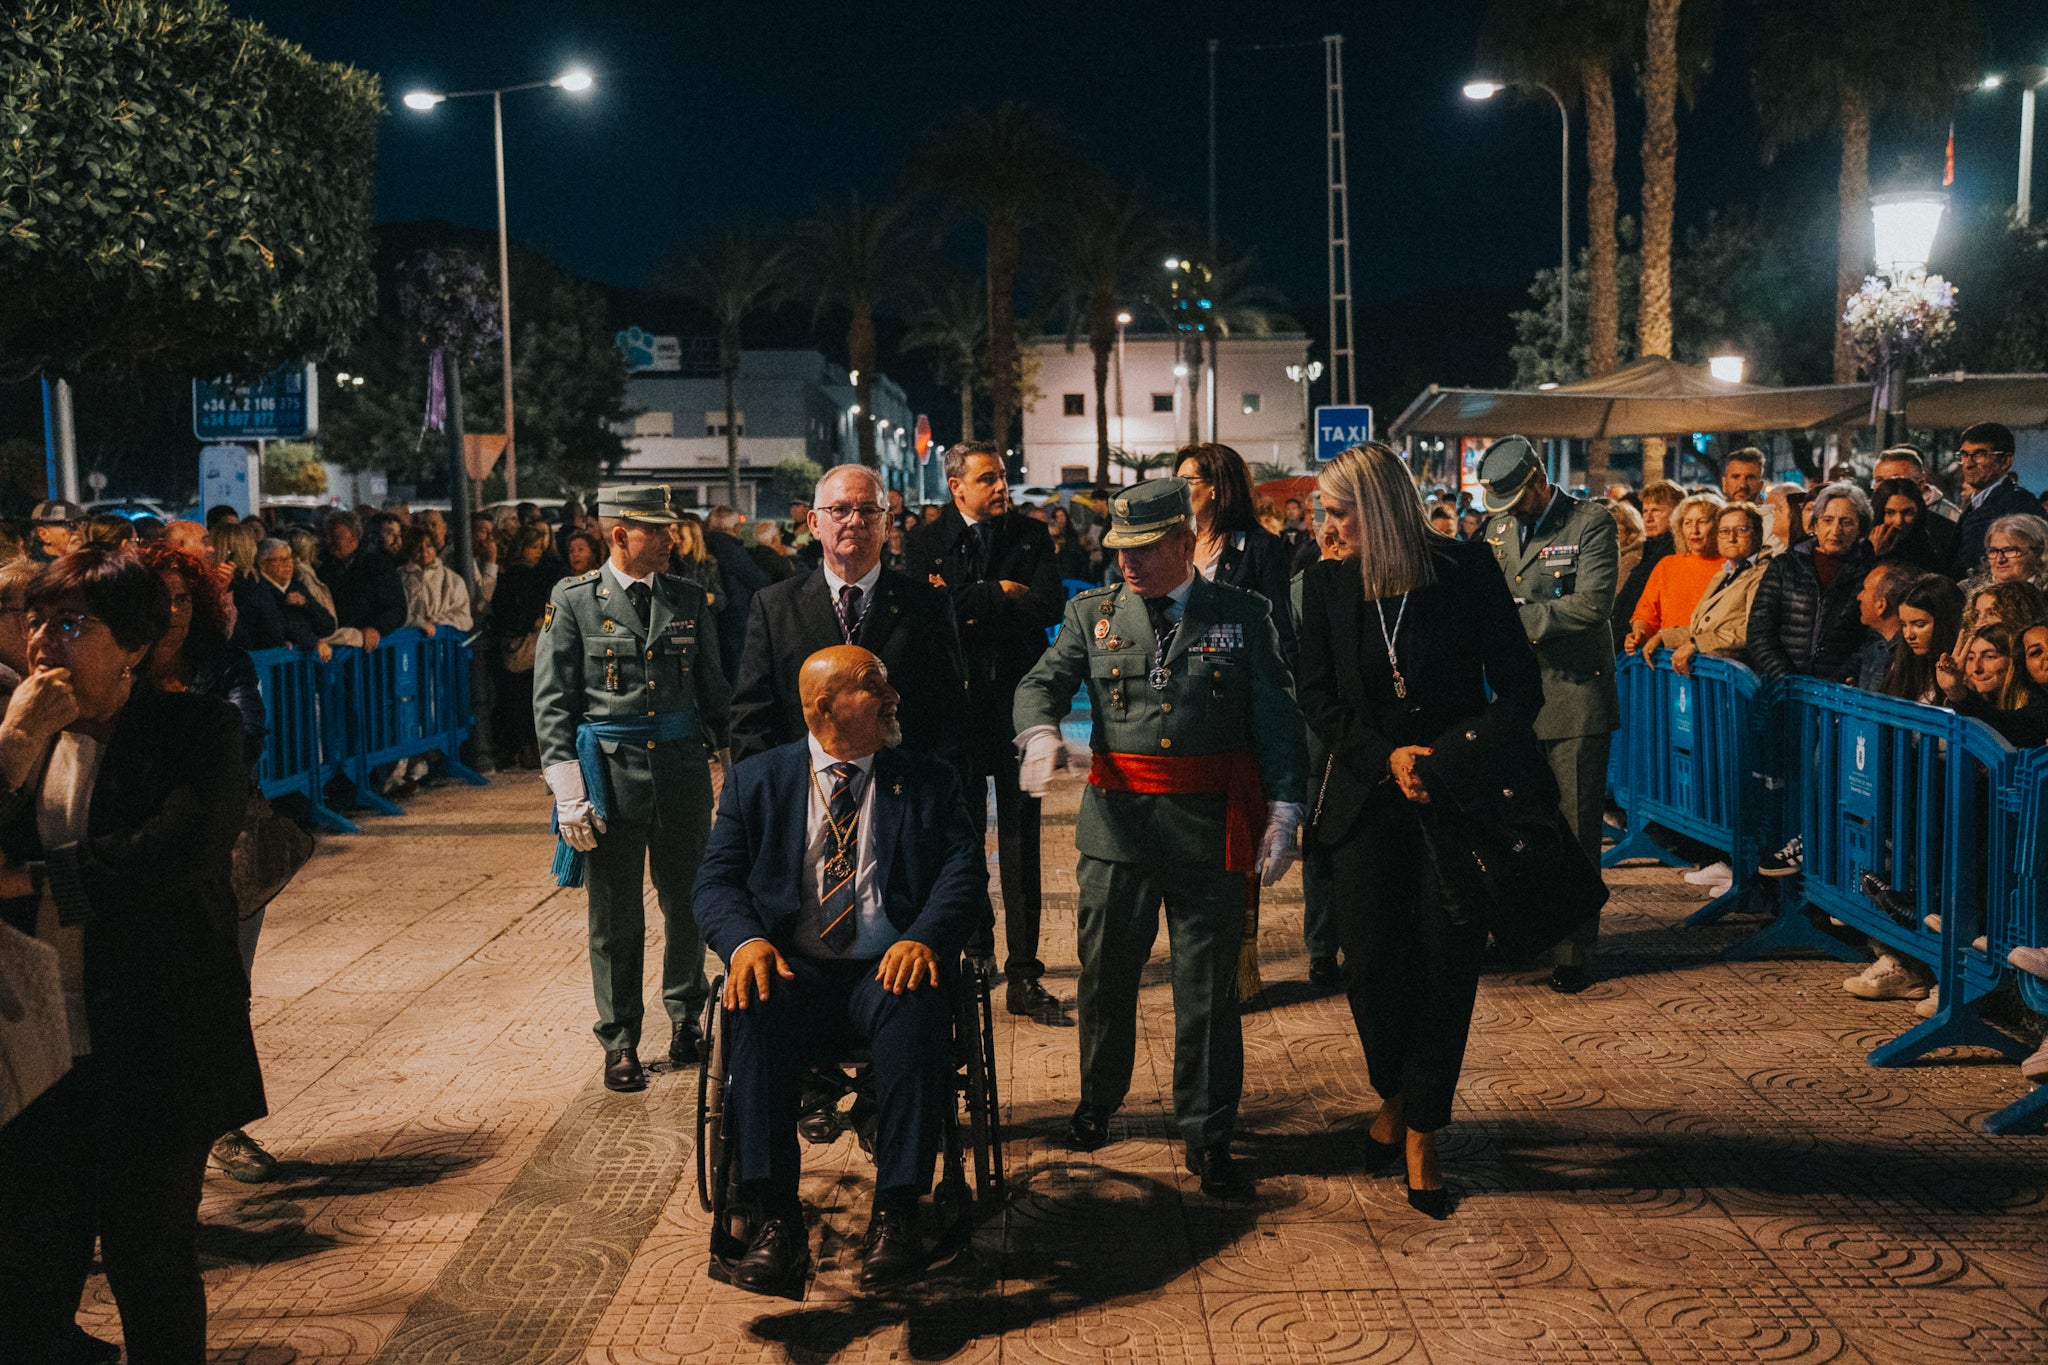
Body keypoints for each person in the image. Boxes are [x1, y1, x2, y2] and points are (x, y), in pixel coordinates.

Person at [1297, 444, 1599, 1218]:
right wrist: (1385, 754)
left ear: (1379, 509)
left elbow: (1519, 689)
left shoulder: (1464, 571)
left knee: (1443, 965)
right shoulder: (1326, 584)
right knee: (1369, 967)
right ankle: (1392, 1092)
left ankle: (1424, 1126)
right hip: (1368, 799)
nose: (1324, 529)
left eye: (1336, 514)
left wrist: (1448, 756)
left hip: (1458, 802)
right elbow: (1322, 701)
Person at [0, 549, 264, 1365]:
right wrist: (13, 741)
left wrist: (33, 880)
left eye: (73, 624)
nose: (44, 641)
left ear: (136, 644)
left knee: (149, 1260)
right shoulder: (26, 732)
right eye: (37, 620)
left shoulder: (196, 730)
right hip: (39, 1053)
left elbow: (173, 853)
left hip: (157, 1043)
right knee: (31, 1274)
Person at [1012, 478, 1306, 1197]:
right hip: (1117, 832)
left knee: (1206, 994)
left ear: (1183, 542)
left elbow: (1275, 714)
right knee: (1105, 976)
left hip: (1207, 832)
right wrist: (1041, 731)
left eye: (1143, 550)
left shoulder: (1240, 613)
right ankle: (1097, 1101)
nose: (1127, 564)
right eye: (1119, 550)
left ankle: (1208, 1131)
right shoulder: (1094, 615)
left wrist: (1285, 809)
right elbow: (1039, 682)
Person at [691, 645, 982, 1296]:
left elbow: (964, 875)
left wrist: (927, 939)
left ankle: (899, 1210)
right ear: (826, 706)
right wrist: (744, 944)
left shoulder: (927, 779)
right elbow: (715, 883)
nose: (893, 694)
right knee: (750, 1004)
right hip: (797, 969)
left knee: (919, 1005)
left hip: (888, 965)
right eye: (874, 684)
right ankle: (775, 1222)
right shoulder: (758, 780)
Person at [534, 485, 732, 1092]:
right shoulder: (574, 601)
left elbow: (714, 694)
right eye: (658, 530)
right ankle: (620, 1039)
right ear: (619, 535)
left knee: (686, 905)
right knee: (615, 916)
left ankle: (686, 1016)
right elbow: (552, 703)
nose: (672, 539)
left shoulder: (690, 599)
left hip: (680, 773)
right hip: (610, 778)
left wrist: (736, 767)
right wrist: (567, 789)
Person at [901, 440, 1064, 1018]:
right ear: (956, 486)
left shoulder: (1030, 536)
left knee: (1022, 847)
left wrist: (965, 601)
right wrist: (999, 592)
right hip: (955, 716)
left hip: (1016, 712)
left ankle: (1025, 972)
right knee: (962, 839)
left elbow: (1047, 606)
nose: (1002, 487)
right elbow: (926, 613)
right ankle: (976, 950)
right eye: (989, 478)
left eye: (1004, 476)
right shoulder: (923, 542)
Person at [1477, 437, 1618, 993]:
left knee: (1576, 830)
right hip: (1515, 702)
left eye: (1517, 498)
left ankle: (1574, 950)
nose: (1510, 511)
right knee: (1521, 828)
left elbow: (1593, 603)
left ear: (1539, 478)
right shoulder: (1498, 530)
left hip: (1574, 697)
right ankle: (1527, 932)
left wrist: (1516, 621)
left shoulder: (1590, 522)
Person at [732, 465, 967, 766]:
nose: (856, 521)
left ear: (887, 524)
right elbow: (752, 714)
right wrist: (763, 795)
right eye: (840, 510)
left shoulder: (927, 606)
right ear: (815, 524)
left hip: (899, 789)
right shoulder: (775, 606)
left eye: (869, 510)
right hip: (805, 789)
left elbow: (949, 712)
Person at [1746, 481, 1874, 682]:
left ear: (1861, 528)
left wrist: (1833, 683)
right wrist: (1786, 678)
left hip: (1836, 693)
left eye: (1846, 522)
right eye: (1827, 520)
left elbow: (1870, 639)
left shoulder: (1869, 573)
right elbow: (1759, 630)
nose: (1835, 530)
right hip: (1783, 689)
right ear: (1815, 524)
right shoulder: (1785, 565)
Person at [1665, 503, 1772, 674]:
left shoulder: (1764, 573)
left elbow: (1753, 631)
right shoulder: (1724, 572)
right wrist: (1663, 637)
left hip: (1737, 676)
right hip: (1712, 672)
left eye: (1741, 530)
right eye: (1724, 531)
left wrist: (1697, 644)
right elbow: (1702, 629)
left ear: (1757, 534)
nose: (1731, 538)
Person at [1623, 491, 1725, 661]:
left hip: (1711, 661)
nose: (1695, 530)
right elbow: (1646, 614)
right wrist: (1638, 635)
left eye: (1702, 522)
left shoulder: (1729, 567)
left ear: (1718, 526)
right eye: (1687, 523)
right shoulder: (1667, 565)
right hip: (1665, 660)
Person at [492, 523, 561, 770]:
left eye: (540, 548)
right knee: (523, 701)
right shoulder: (516, 576)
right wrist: (531, 620)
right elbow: (505, 612)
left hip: (534, 641)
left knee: (531, 700)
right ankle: (525, 748)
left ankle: (532, 747)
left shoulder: (537, 573)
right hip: (524, 642)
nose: (538, 553)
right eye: (533, 547)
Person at [1950, 422, 2038, 578]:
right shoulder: (1975, 504)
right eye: (1964, 455)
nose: (1968, 464)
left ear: (2006, 461)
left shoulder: (2018, 503)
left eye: (1979, 455)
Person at [705, 506, 772, 685]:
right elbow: (757, 579)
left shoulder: (707, 544)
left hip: (719, 616)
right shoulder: (729, 547)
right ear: (735, 528)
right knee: (736, 670)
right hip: (735, 615)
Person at [234, 536, 336, 653]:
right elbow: (277, 629)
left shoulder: (297, 586)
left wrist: (307, 604)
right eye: (280, 559)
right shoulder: (257, 589)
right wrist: (313, 641)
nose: (287, 564)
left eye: (289, 558)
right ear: (262, 564)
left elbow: (328, 626)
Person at [324, 511, 406, 652]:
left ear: (354, 538)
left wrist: (376, 628)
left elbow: (397, 609)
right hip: (336, 649)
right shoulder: (324, 568)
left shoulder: (377, 566)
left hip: (369, 651)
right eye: (328, 536)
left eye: (336, 537)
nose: (329, 541)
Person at [1611, 479, 1682, 642]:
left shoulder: (1674, 554)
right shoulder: (1649, 550)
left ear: (1678, 512)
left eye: (1657, 511)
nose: (1648, 518)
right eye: (1645, 511)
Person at [1877, 574, 1964, 704]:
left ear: (1945, 622)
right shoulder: (1901, 666)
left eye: (1919, 625)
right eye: (1904, 625)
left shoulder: (1967, 671)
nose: (1908, 635)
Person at [1847, 561, 1920, 691]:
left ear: (1881, 605)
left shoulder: (1910, 656)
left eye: (1864, 589)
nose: (1859, 597)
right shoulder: (1874, 649)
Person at [1867, 477, 1951, 573]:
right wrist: (1873, 554)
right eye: (1890, 512)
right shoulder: (1859, 545)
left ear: (1918, 512)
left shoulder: (1933, 546)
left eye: (1907, 512)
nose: (1899, 521)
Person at [1873, 443, 1962, 525]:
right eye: (1879, 480)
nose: (1885, 487)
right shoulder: (1867, 514)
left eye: (1895, 480)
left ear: (1920, 484)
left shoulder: (1950, 516)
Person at [1981, 513, 2048, 589]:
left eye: (2010, 550)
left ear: (2039, 552)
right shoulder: (1968, 592)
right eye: (1993, 551)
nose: (1999, 559)